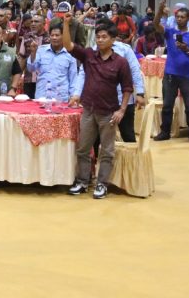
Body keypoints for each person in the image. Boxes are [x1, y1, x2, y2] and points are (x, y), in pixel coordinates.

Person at [63, 20, 133, 199]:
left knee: (107, 151)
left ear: (113, 40)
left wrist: (122, 110)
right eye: (98, 37)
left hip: (109, 113)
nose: (100, 40)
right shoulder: (88, 55)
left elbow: (127, 88)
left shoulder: (121, 62)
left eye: (104, 37)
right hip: (88, 110)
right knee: (83, 149)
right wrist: (66, 24)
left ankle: (102, 184)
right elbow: (68, 45)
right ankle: (83, 182)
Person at [153, 0, 189, 144]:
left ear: (188, 19)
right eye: (177, 17)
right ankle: (165, 132)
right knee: (168, 104)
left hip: (187, 75)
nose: (180, 19)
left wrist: (187, 49)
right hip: (170, 74)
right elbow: (156, 24)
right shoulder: (170, 32)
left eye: (182, 17)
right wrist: (159, 10)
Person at [26, 21, 77, 102]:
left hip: (61, 99)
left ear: (63, 36)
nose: (54, 38)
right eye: (52, 35)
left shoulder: (70, 54)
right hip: (42, 97)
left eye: (57, 35)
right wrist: (33, 53)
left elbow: (73, 79)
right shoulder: (40, 50)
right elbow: (31, 69)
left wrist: (73, 96)